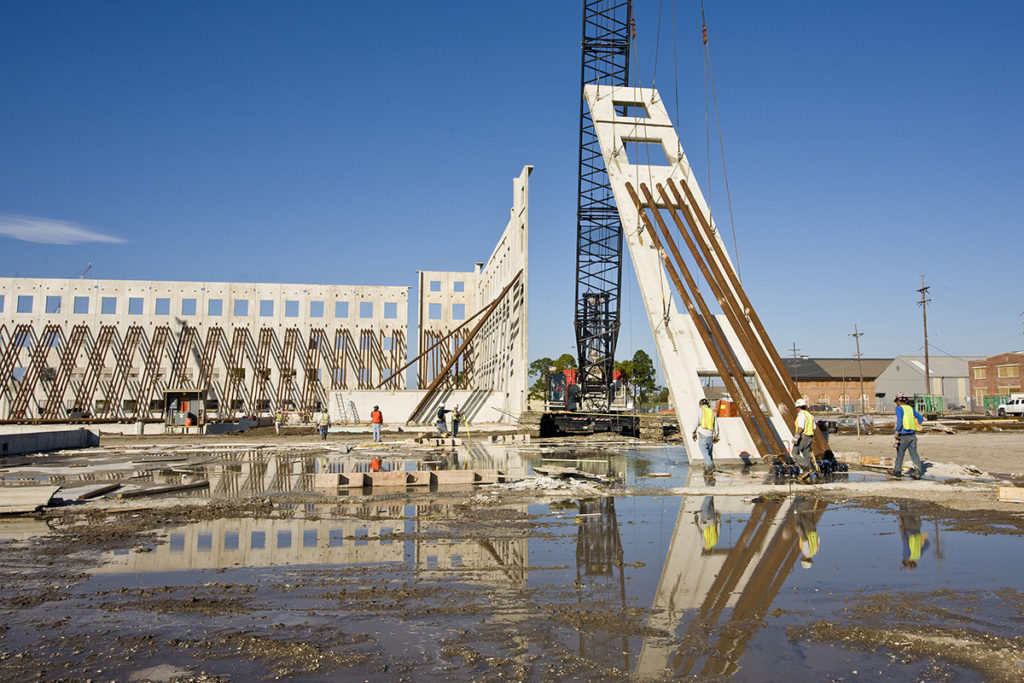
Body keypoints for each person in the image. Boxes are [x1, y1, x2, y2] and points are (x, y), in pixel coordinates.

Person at [893, 394, 925, 479]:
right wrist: (915, 426)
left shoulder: (899, 408)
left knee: (900, 453)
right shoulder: (911, 408)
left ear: (899, 401)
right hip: (912, 435)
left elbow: (900, 420)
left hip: (904, 435)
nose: (896, 403)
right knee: (914, 454)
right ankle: (917, 472)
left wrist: (897, 430)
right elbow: (920, 418)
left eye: (896, 402)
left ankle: (897, 471)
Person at [691, 398, 719, 477]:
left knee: (704, 451)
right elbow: (716, 425)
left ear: (700, 405)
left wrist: (693, 432)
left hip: (703, 433)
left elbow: (696, 422)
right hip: (711, 434)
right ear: (708, 404)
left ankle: (710, 466)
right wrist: (717, 434)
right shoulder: (712, 412)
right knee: (709, 452)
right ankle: (709, 468)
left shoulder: (700, 411)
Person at [898, 504, 930, 569]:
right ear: (906, 561)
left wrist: (923, 538)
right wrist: (901, 530)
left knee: (915, 508)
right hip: (908, 528)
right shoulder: (906, 555)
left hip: (917, 528)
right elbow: (905, 543)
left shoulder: (918, 556)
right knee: (903, 510)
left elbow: (927, 545)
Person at [792, 398, 816, 482]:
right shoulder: (810, 415)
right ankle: (807, 474)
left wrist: (796, 436)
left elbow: (801, 427)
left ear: (798, 407)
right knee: (806, 453)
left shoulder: (801, 415)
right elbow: (814, 427)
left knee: (795, 453)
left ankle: (808, 468)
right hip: (809, 436)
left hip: (803, 436)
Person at [793, 497, 820, 568]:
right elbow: (804, 540)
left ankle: (808, 500)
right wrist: (799, 530)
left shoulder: (814, 552)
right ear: (804, 559)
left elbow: (818, 539)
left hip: (813, 530)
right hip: (807, 530)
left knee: (808, 515)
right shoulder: (806, 552)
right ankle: (803, 499)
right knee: (799, 514)